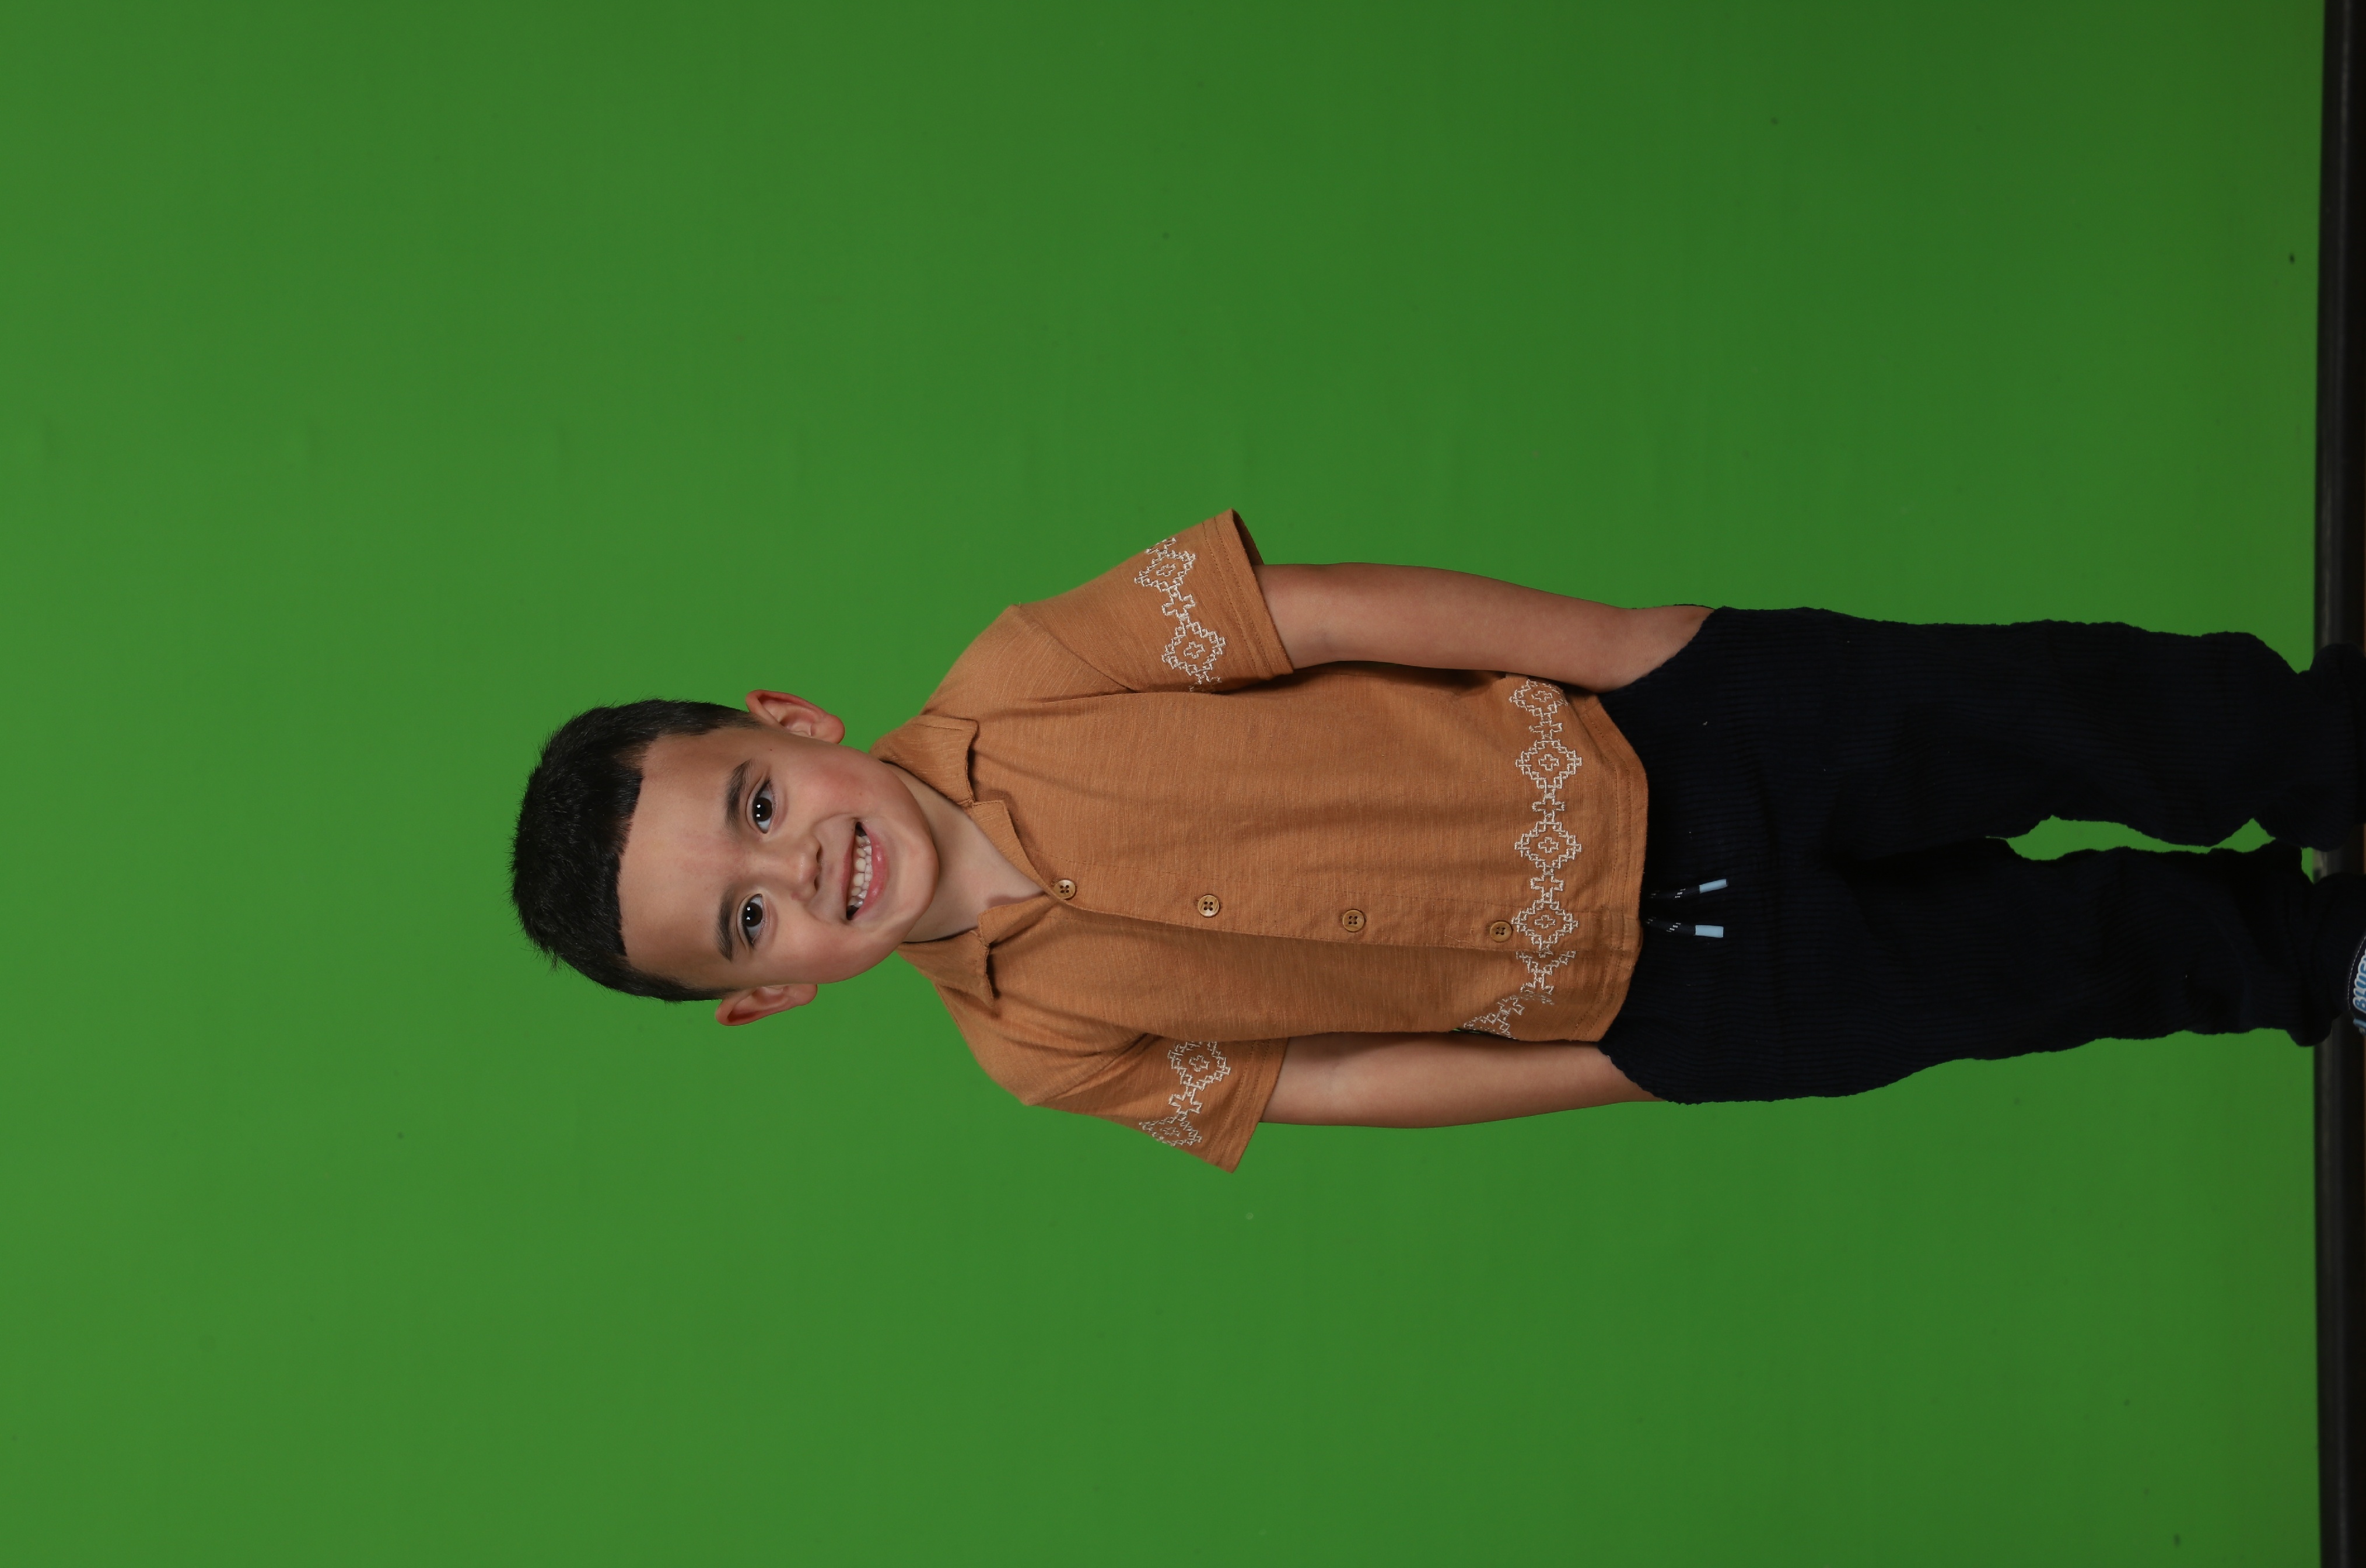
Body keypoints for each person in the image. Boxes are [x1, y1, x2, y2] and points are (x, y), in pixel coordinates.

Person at [509, 512, 2366, 1170]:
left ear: (789, 725)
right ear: (771, 997)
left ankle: (2320, 753)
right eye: (748, 923)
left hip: (1668, 741)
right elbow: (1327, 1082)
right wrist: (1622, 1064)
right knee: (2034, 974)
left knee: (2044, 717)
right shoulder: (1034, 1048)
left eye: (757, 807)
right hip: (1661, 991)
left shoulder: (1031, 667)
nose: (799, 869)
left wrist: (1640, 654)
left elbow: (1316, 613)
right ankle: (2303, 955)